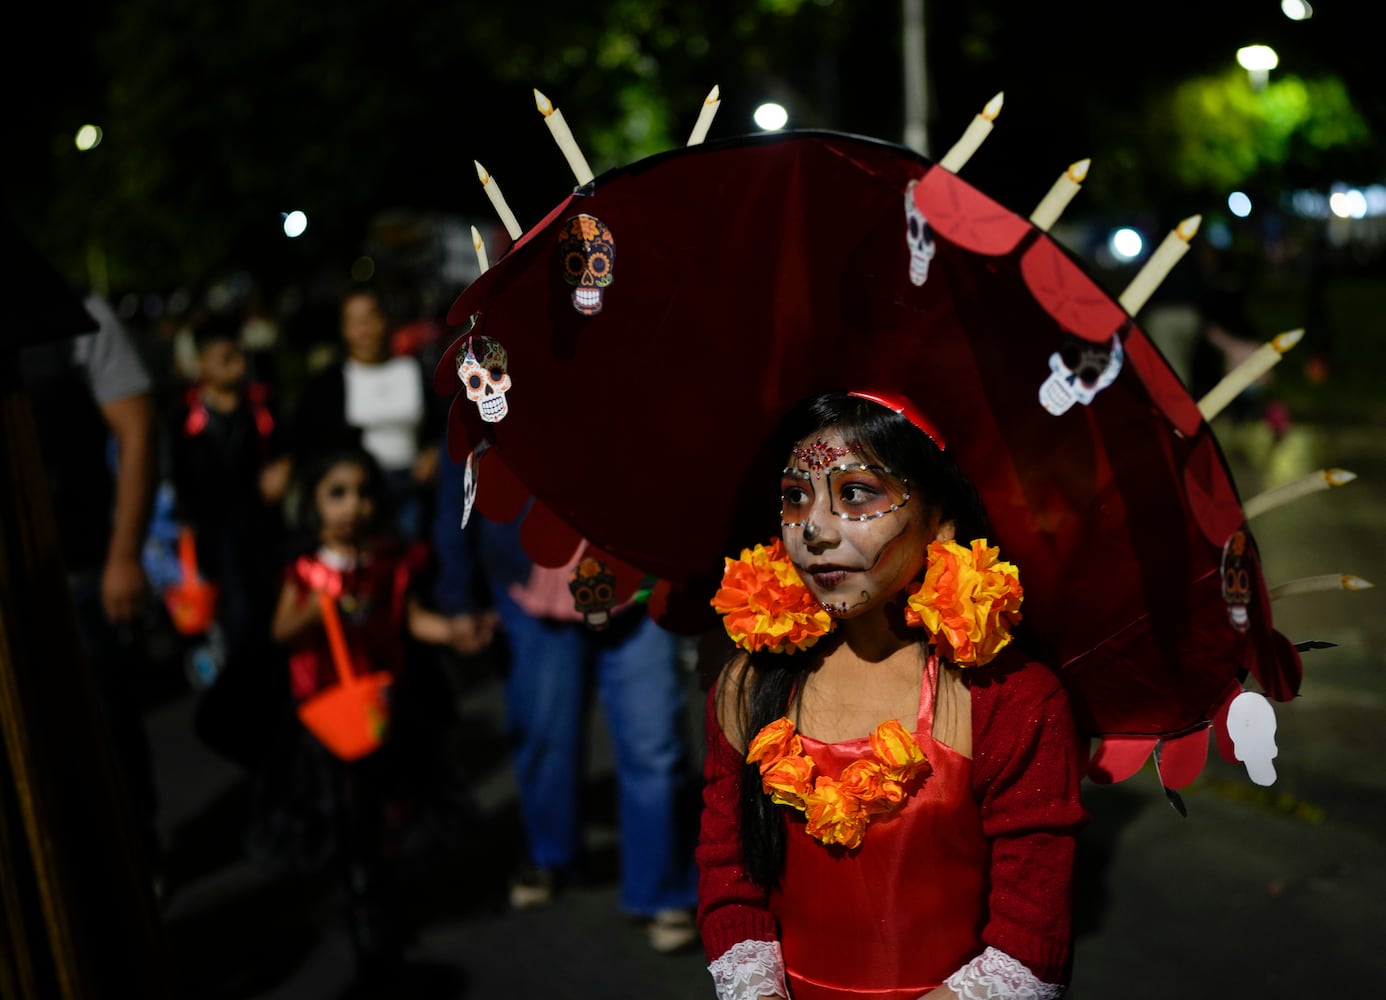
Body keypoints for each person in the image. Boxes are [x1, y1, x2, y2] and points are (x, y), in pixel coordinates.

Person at [696, 390, 1086, 999]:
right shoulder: (747, 685)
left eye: (855, 494)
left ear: (942, 521)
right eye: (796, 498)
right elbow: (730, 882)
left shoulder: (1012, 700)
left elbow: (1027, 946)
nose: (815, 530)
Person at [431, 439, 702, 953]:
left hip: (638, 581)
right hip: (530, 584)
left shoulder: (640, 364)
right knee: (542, 734)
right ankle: (548, 854)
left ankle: (662, 887)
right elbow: (460, 481)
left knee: (655, 744)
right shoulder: (495, 370)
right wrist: (457, 593)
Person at [268, 444, 459, 981]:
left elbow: (410, 618)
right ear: (314, 505)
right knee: (346, 815)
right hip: (325, 714)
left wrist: (452, 630)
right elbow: (279, 631)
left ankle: (381, 896)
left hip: (380, 707)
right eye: (337, 494)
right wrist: (315, 604)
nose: (352, 506)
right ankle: (364, 917)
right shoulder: (307, 570)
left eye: (362, 493)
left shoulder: (384, 562)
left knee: (385, 810)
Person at [18, 290, 164, 887]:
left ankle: (137, 861)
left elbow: (136, 431)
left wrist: (124, 554)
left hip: (77, 565)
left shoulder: (74, 312)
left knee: (102, 725)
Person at [277, 287, 441, 542]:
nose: (364, 328)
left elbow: (441, 423)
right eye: (354, 321)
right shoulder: (327, 383)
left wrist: (433, 452)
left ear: (385, 321)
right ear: (343, 330)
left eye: (371, 317)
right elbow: (304, 436)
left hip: (412, 487)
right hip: (358, 496)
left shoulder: (414, 371)